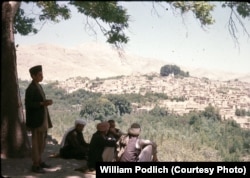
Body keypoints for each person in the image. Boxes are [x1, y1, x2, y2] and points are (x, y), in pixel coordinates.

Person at [25, 65, 53, 173]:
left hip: (42, 119)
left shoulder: (39, 86)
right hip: (36, 120)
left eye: (42, 74)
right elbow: (29, 105)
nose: (42, 76)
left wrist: (46, 102)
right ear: (33, 76)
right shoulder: (30, 89)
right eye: (40, 75)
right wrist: (42, 103)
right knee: (36, 143)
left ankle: (40, 161)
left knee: (42, 142)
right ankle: (35, 165)